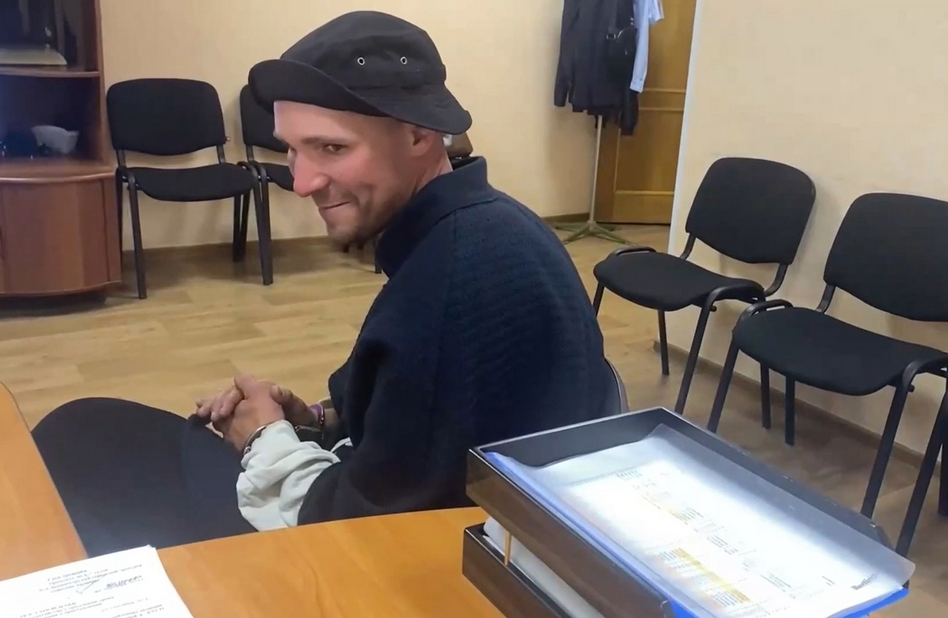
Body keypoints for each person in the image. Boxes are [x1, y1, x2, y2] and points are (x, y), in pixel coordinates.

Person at [31, 10, 617, 557]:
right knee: (86, 430)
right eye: (292, 150)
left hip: (377, 562)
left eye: (331, 148)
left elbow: (361, 530)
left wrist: (263, 439)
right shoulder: (493, 226)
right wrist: (312, 420)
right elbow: (420, 423)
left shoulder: (455, 290)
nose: (303, 181)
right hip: (402, 502)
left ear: (419, 136)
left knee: (77, 443)